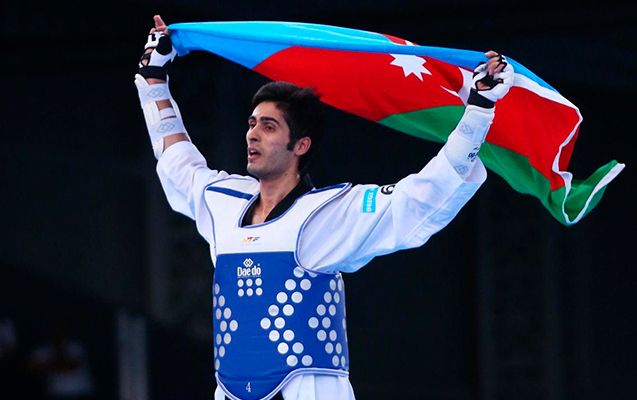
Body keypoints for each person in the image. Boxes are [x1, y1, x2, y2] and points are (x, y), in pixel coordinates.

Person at [135, 15, 513, 400]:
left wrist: (479, 111)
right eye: (252, 123)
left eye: (269, 126)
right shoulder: (223, 201)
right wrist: (153, 79)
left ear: (301, 145)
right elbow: (176, 157)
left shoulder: (327, 213)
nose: (252, 134)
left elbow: (419, 197)